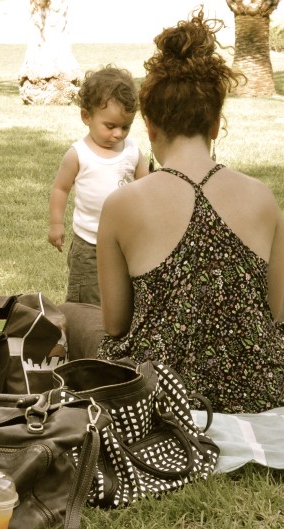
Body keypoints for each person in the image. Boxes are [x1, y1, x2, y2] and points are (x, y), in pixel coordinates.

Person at [96, 10, 284, 414]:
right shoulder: (263, 198)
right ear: (215, 124)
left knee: (78, 319)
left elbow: (115, 325)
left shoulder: (121, 204)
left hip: (160, 398)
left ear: (149, 125)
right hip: (258, 390)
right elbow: (276, 314)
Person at [48, 65, 149, 305]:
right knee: (87, 298)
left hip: (126, 242)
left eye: (125, 127)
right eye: (110, 126)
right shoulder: (78, 154)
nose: (118, 134)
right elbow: (61, 188)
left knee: (124, 297)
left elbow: (147, 188)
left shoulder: (132, 151)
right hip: (89, 244)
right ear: (87, 117)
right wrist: (56, 224)